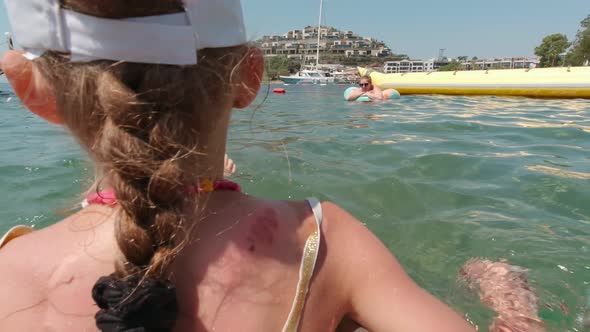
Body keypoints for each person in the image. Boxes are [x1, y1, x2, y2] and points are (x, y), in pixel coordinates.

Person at [0, 1, 534, 332]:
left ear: (30, 90)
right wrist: (516, 315)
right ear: (250, 76)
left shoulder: (10, 267)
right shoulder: (323, 243)